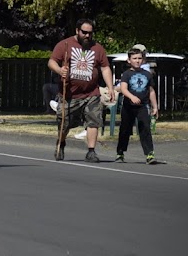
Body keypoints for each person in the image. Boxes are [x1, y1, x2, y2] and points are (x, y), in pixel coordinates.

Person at [48, 18, 115, 162]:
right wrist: (60, 71)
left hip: (91, 93)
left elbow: (105, 68)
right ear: (77, 31)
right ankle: (61, 142)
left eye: (90, 33)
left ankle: (91, 151)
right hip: (70, 95)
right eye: (84, 32)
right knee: (64, 123)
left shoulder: (98, 48)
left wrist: (110, 87)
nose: (87, 36)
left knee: (93, 120)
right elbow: (52, 61)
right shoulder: (65, 45)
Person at [116, 47, 158, 165]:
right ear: (129, 60)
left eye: (140, 58)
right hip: (128, 106)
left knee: (145, 128)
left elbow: (151, 91)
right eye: (134, 58)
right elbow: (123, 89)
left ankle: (149, 154)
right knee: (125, 129)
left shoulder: (147, 74)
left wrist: (155, 106)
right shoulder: (127, 74)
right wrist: (131, 97)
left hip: (142, 106)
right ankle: (120, 152)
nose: (137, 61)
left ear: (143, 60)